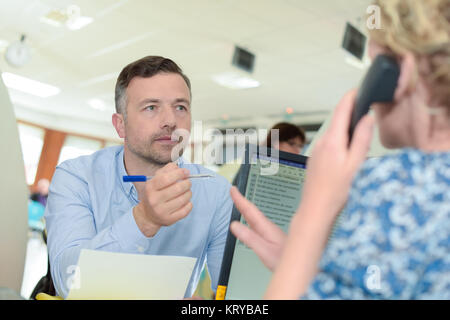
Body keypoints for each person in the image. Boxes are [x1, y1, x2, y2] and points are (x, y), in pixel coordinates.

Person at [230, 0, 450, 299]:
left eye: (374, 63)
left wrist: (315, 210)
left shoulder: (397, 184)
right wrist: (299, 263)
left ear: (399, 71)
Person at [44, 56, 233, 298]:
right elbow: (69, 283)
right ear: (120, 125)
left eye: (180, 107)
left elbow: (234, 296)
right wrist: (143, 220)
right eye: (151, 107)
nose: (170, 121)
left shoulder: (216, 191)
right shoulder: (77, 177)